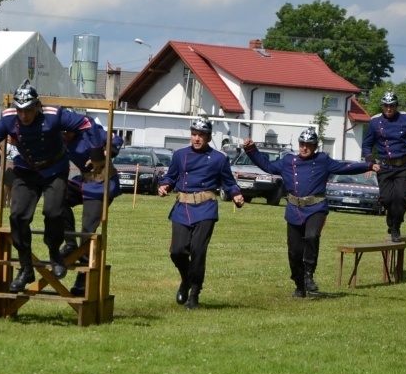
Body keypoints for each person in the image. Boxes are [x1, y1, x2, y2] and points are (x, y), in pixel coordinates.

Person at [0, 81, 105, 292]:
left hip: (55, 169)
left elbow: (86, 124)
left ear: (37, 106)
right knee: (17, 216)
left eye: (29, 110)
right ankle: (26, 268)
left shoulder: (54, 115)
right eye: (20, 110)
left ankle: (54, 253)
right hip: (27, 170)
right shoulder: (8, 118)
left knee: (53, 212)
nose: (24, 116)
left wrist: (96, 154)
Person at [244, 129, 377, 297]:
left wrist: (368, 165)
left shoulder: (322, 160)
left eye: (309, 145)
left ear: (315, 146)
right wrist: (251, 150)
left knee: (312, 236)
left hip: (316, 208)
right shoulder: (288, 161)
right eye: (302, 144)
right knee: (294, 251)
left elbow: (345, 168)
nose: (305, 148)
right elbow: (268, 166)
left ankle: (309, 275)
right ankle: (299, 285)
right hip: (294, 209)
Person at [158, 118, 245, 310]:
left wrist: (236, 195)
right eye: (194, 134)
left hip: (206, 208)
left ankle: (194, 294)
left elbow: (229, 182)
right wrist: (164, 185)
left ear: (208, 137)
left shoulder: (219, 158)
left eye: (201, 135)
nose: (197, 139)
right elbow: (170, 176)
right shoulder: (180, 155)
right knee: (177, 251)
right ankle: (186, 279)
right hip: (182, 208)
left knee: (198, 251)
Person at [60, 124, 124, 296]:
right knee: (57, 196)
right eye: (62, 133)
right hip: (83, 182)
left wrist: (105, 152)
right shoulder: (60, 140)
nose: (64, 136)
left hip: (103, 184)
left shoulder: (91, 131)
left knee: (88, 230)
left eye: (66, 132)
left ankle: (83, 277)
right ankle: (70, 244)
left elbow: (116, 139)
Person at [362, 91, 406, 241]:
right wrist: (371, 161)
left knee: (400, 197)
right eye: (386, 105)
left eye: (391, 106)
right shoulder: (375, 122)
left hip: (404, 166)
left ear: (396, 105)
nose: (389, 109)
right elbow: (366, 145)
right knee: (386, 199)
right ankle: (391, 216)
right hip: (384, 167)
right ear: (382, 106)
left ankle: (396, 226)